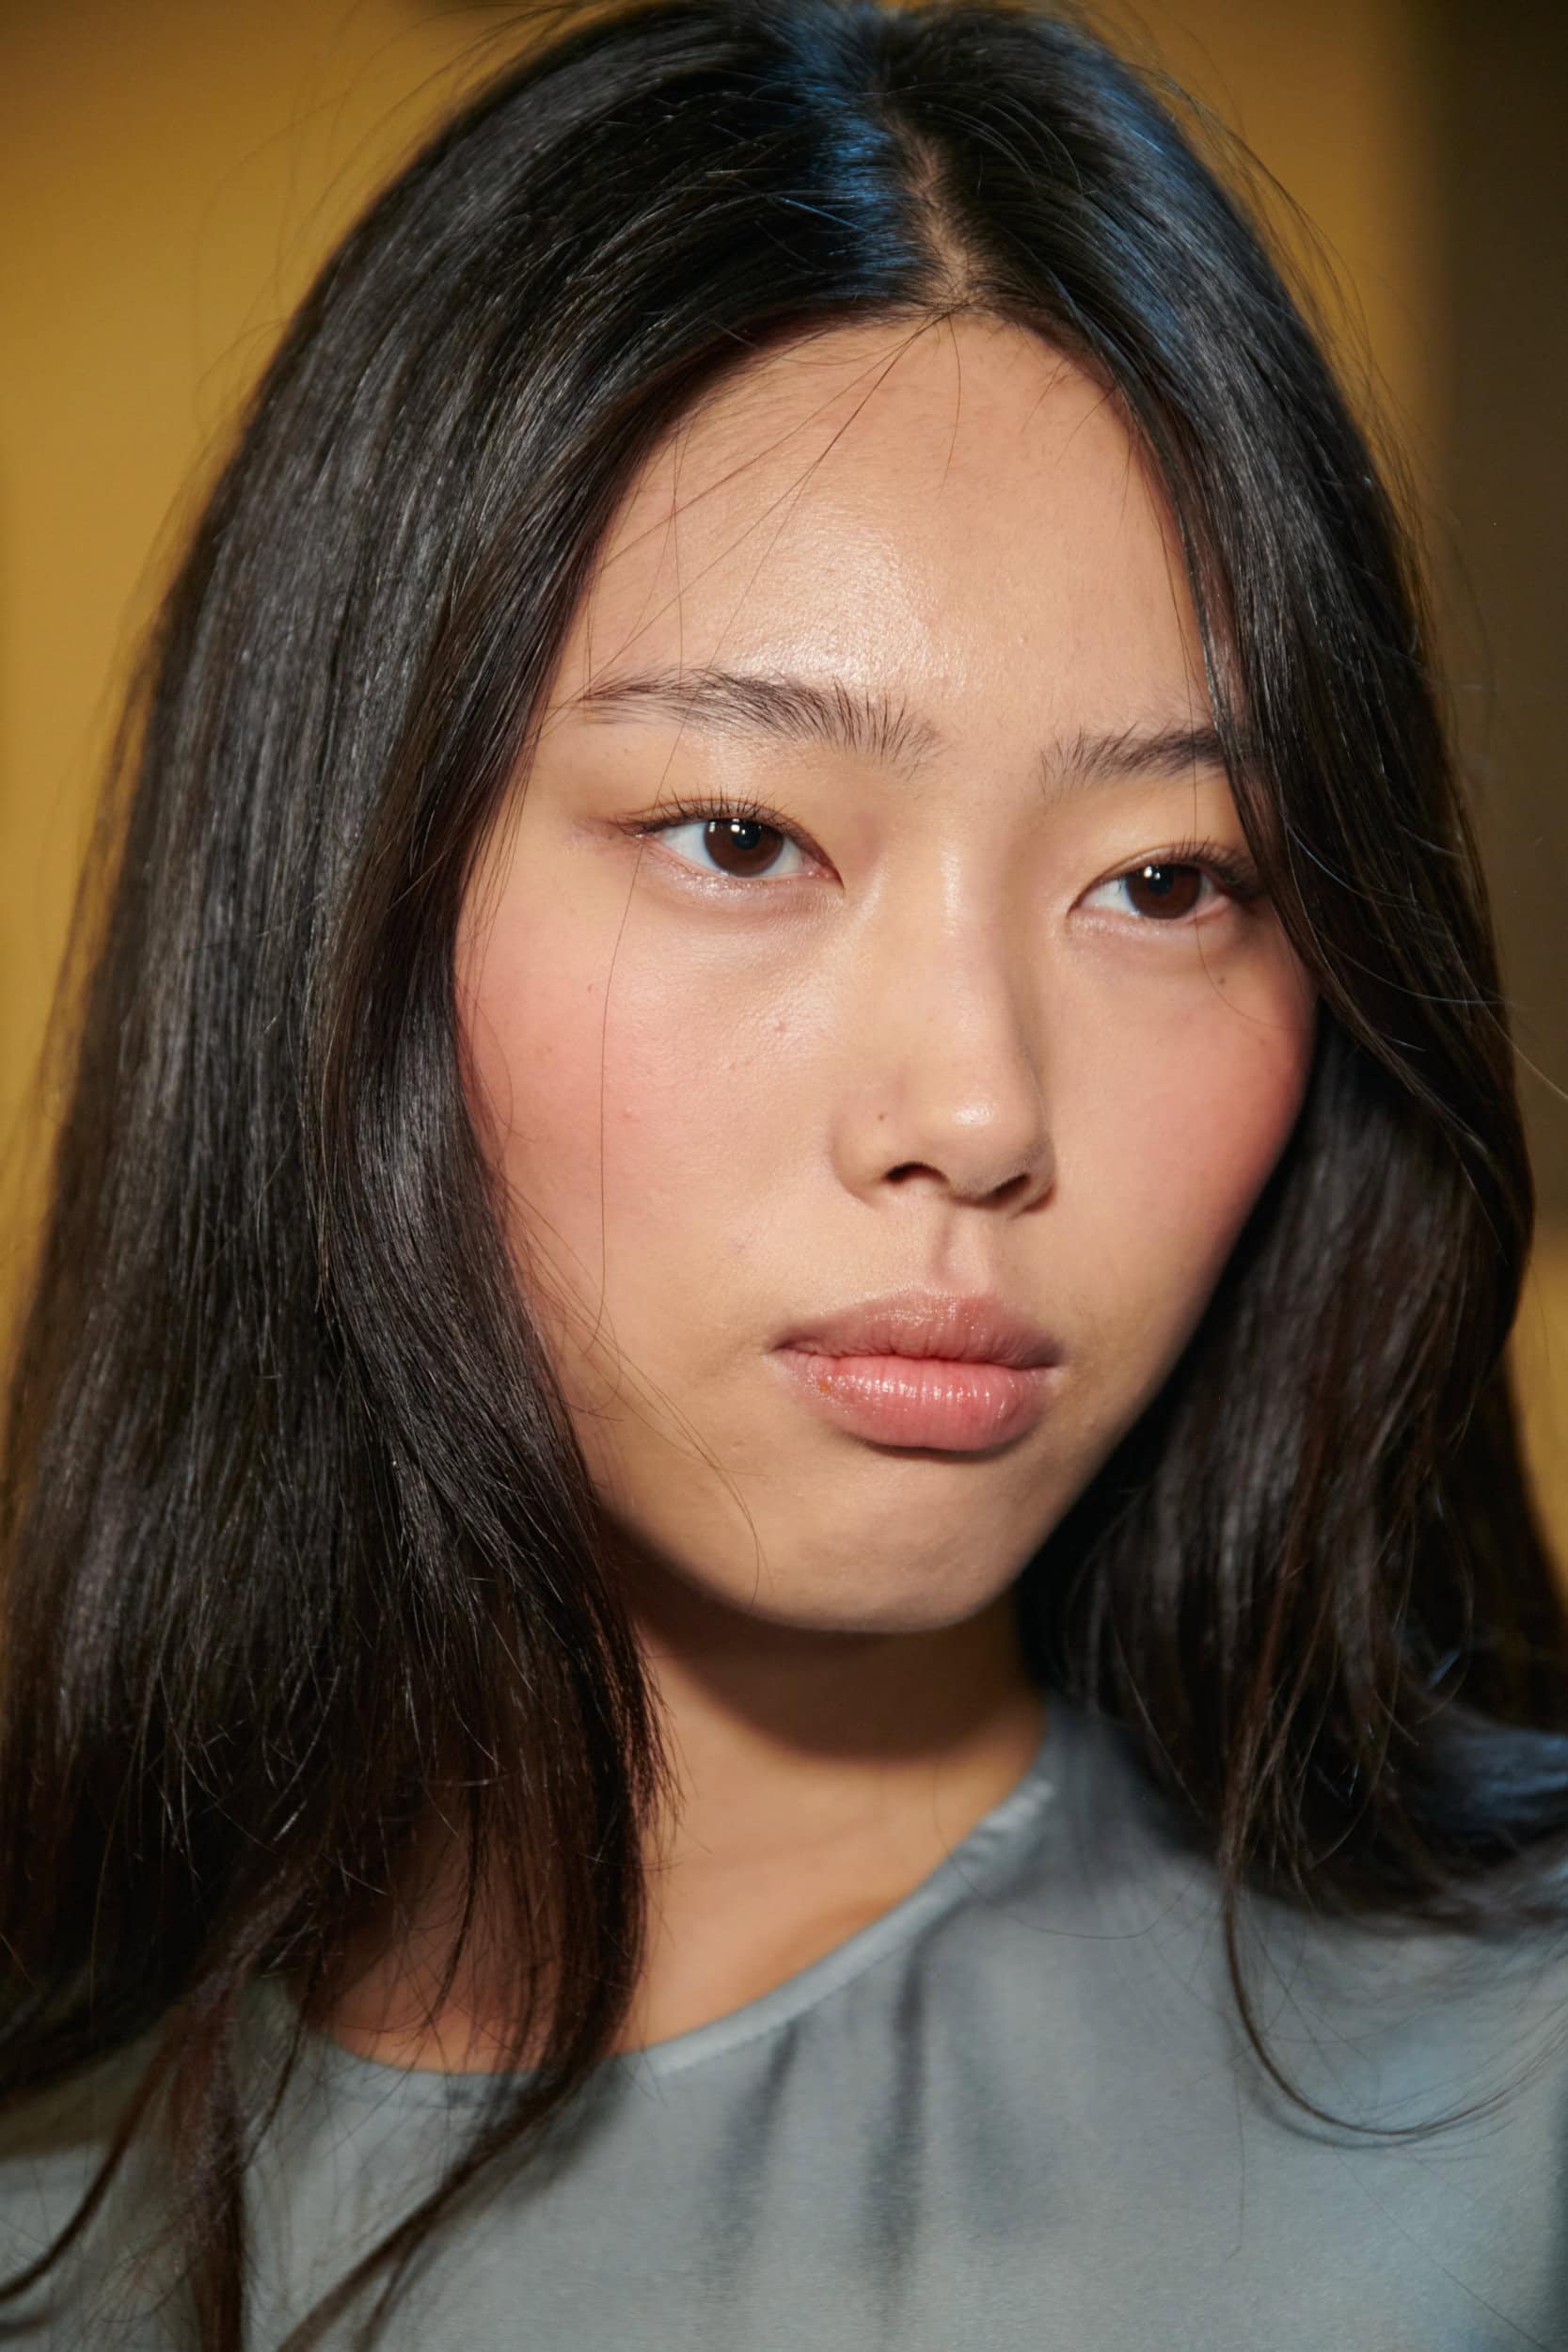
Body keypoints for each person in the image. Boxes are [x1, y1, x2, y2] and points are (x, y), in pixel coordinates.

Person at [3, 0, 1567, 2344]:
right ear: (340, 897)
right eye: (743, 836)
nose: (980, 1108)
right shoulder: (54, 2157)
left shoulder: (1510, 2099)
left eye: (1169, 880)